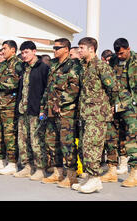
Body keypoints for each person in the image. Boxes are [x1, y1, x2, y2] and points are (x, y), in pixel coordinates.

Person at [72, 37, 119, 193]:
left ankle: (95, 179)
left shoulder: (101, 67)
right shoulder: (83, 67)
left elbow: (113, 88)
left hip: (97, 114)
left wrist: (109, 106)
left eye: (82, 48)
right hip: (85, 113)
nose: (79, 50)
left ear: (91, 49)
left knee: (93, 147)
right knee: (85, 146)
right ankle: (89, 178)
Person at [39, 38, 81, 188]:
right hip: (51, 110)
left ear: (66, 49)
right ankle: (58, 172)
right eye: (54, 47)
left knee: (67, 143)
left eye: (57, 48)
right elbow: (49, 87)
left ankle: (71, 176)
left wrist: (60, 103)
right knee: (52, 141)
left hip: (66, 111)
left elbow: (74, 88)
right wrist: (44, 106)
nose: (54, 50)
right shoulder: (54, 64)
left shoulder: (73, 65)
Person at [13, 41, 49, 178]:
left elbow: (46, 89)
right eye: (22, 53)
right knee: (22, 141)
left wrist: (43, 108)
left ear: (34, 52)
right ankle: (27, 166)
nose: (24, 55)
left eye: (26, 52)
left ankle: (40, 169)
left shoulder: (43, 68)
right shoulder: (23, 68)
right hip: (23, 109)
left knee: (36, 141)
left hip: (36, 110)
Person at [0, 40, 22, 173]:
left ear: (13, 50)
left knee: (9, 135)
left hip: (9, 106)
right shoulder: (3, 65)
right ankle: (0, 161)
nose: (3, 51)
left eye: (5, 48)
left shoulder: (17, 64)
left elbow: (14, 82)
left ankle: (12, 163)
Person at [104, 38, 136, 188]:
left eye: (122, 53)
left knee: (132, 139)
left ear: (128, 49)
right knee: (110, 136)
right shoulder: (114, 61)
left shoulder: (135, 61)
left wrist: (123, 104)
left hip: (131, 106)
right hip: (115, 104)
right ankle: (111, 171)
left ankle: (134, 173)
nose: (120, 56)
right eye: (118, 53)